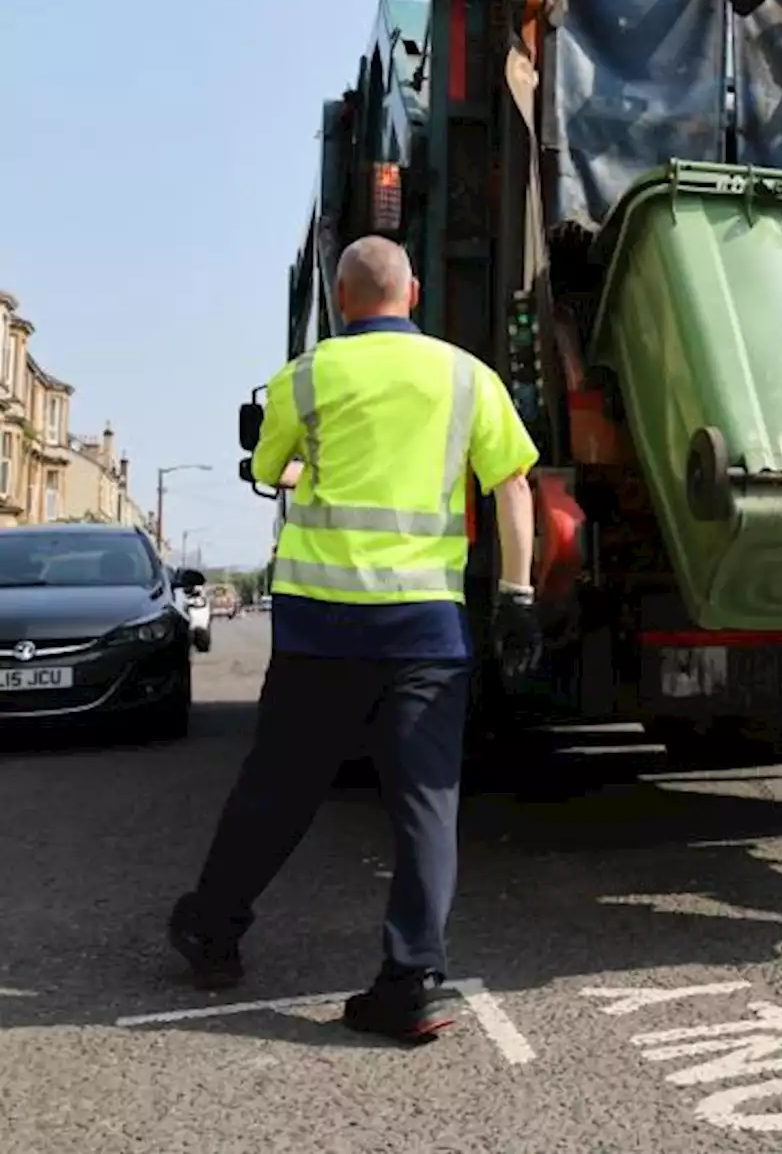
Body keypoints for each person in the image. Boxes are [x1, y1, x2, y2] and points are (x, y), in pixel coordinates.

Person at [168, 235, 542, 1044]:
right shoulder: (465, 375)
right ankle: (410, 983)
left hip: (321, 626)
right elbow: (513, 483)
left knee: (278, 789)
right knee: (425, 803)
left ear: (341, 299)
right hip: (425, 629)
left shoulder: (303, 375)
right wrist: (518, 594)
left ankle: (214, 930)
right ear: (412, 292)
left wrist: (318, 470)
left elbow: (276, 467)